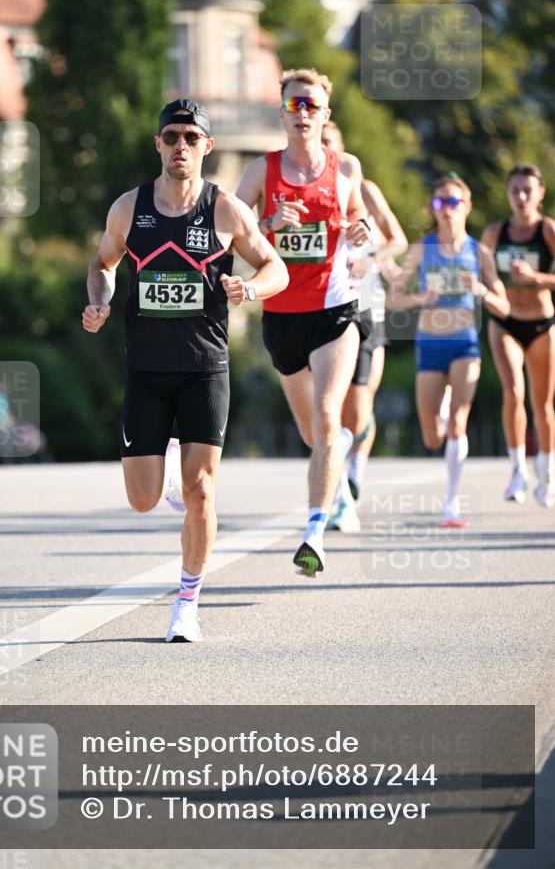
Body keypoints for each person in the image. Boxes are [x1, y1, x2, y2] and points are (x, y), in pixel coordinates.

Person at [82, 98, 288, 642]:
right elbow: (103, 264)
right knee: (143, 500)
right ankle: (167, 469)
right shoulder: (130, 208)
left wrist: (252, 287)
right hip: (147, 371)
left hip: (205, 367)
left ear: (206, 147)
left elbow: (276, 267)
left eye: (191, 138)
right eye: (171, 136)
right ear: (158, 144)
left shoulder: (225, 211)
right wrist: (99, 301)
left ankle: (187, 606)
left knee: (201, 494)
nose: (180, 146)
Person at [236, 69, 371, 576]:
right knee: (313, 433)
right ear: (282, 113)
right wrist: (268, 225)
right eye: (294, 105)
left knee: (328, 417)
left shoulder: (345, 168)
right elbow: (226, 231)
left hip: (335, 310)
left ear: (325, 114)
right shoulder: (259, 172)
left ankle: (315, 530)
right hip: (281, 315)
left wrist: (364, 233)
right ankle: (337, 462)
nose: (303, 114)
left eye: (311, 105)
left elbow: (363, 223)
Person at [388, 174, 510, 526]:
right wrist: (418, 297)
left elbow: (504, 308)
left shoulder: (480, 253)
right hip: (429, 345)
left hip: (465, 344)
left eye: (454, 202)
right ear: (433, 208)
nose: (447, 209)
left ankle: (451, 504)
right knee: (432, 435)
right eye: (440, 202)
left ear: (466, 206)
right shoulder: (420, 250)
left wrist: (481, 292)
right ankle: (440, 410)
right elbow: (392, 300)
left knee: (459, 422)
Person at [321, 122, 408, 531]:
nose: (319, 147)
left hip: (368, 307)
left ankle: (355, 466)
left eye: (327, 142)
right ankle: (339, 494)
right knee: (330, 410)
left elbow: (398, 240)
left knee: (358, 410)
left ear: (342, 149)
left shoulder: (365, 189)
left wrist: (370, 259)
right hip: (323, 310)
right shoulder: (305, 192)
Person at [481, 164, 555, 507]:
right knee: (513, 394)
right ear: (508, 194)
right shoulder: (495, 233)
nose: (521, 197)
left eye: (528, 190)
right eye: (515, 191)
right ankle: (517, 470)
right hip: (505, 321)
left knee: (542, 405)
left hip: (542, 323)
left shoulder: (548, 230)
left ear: (540, 193)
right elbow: (480, 271)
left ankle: (547, 473)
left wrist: (535, 277)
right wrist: (491, 288)